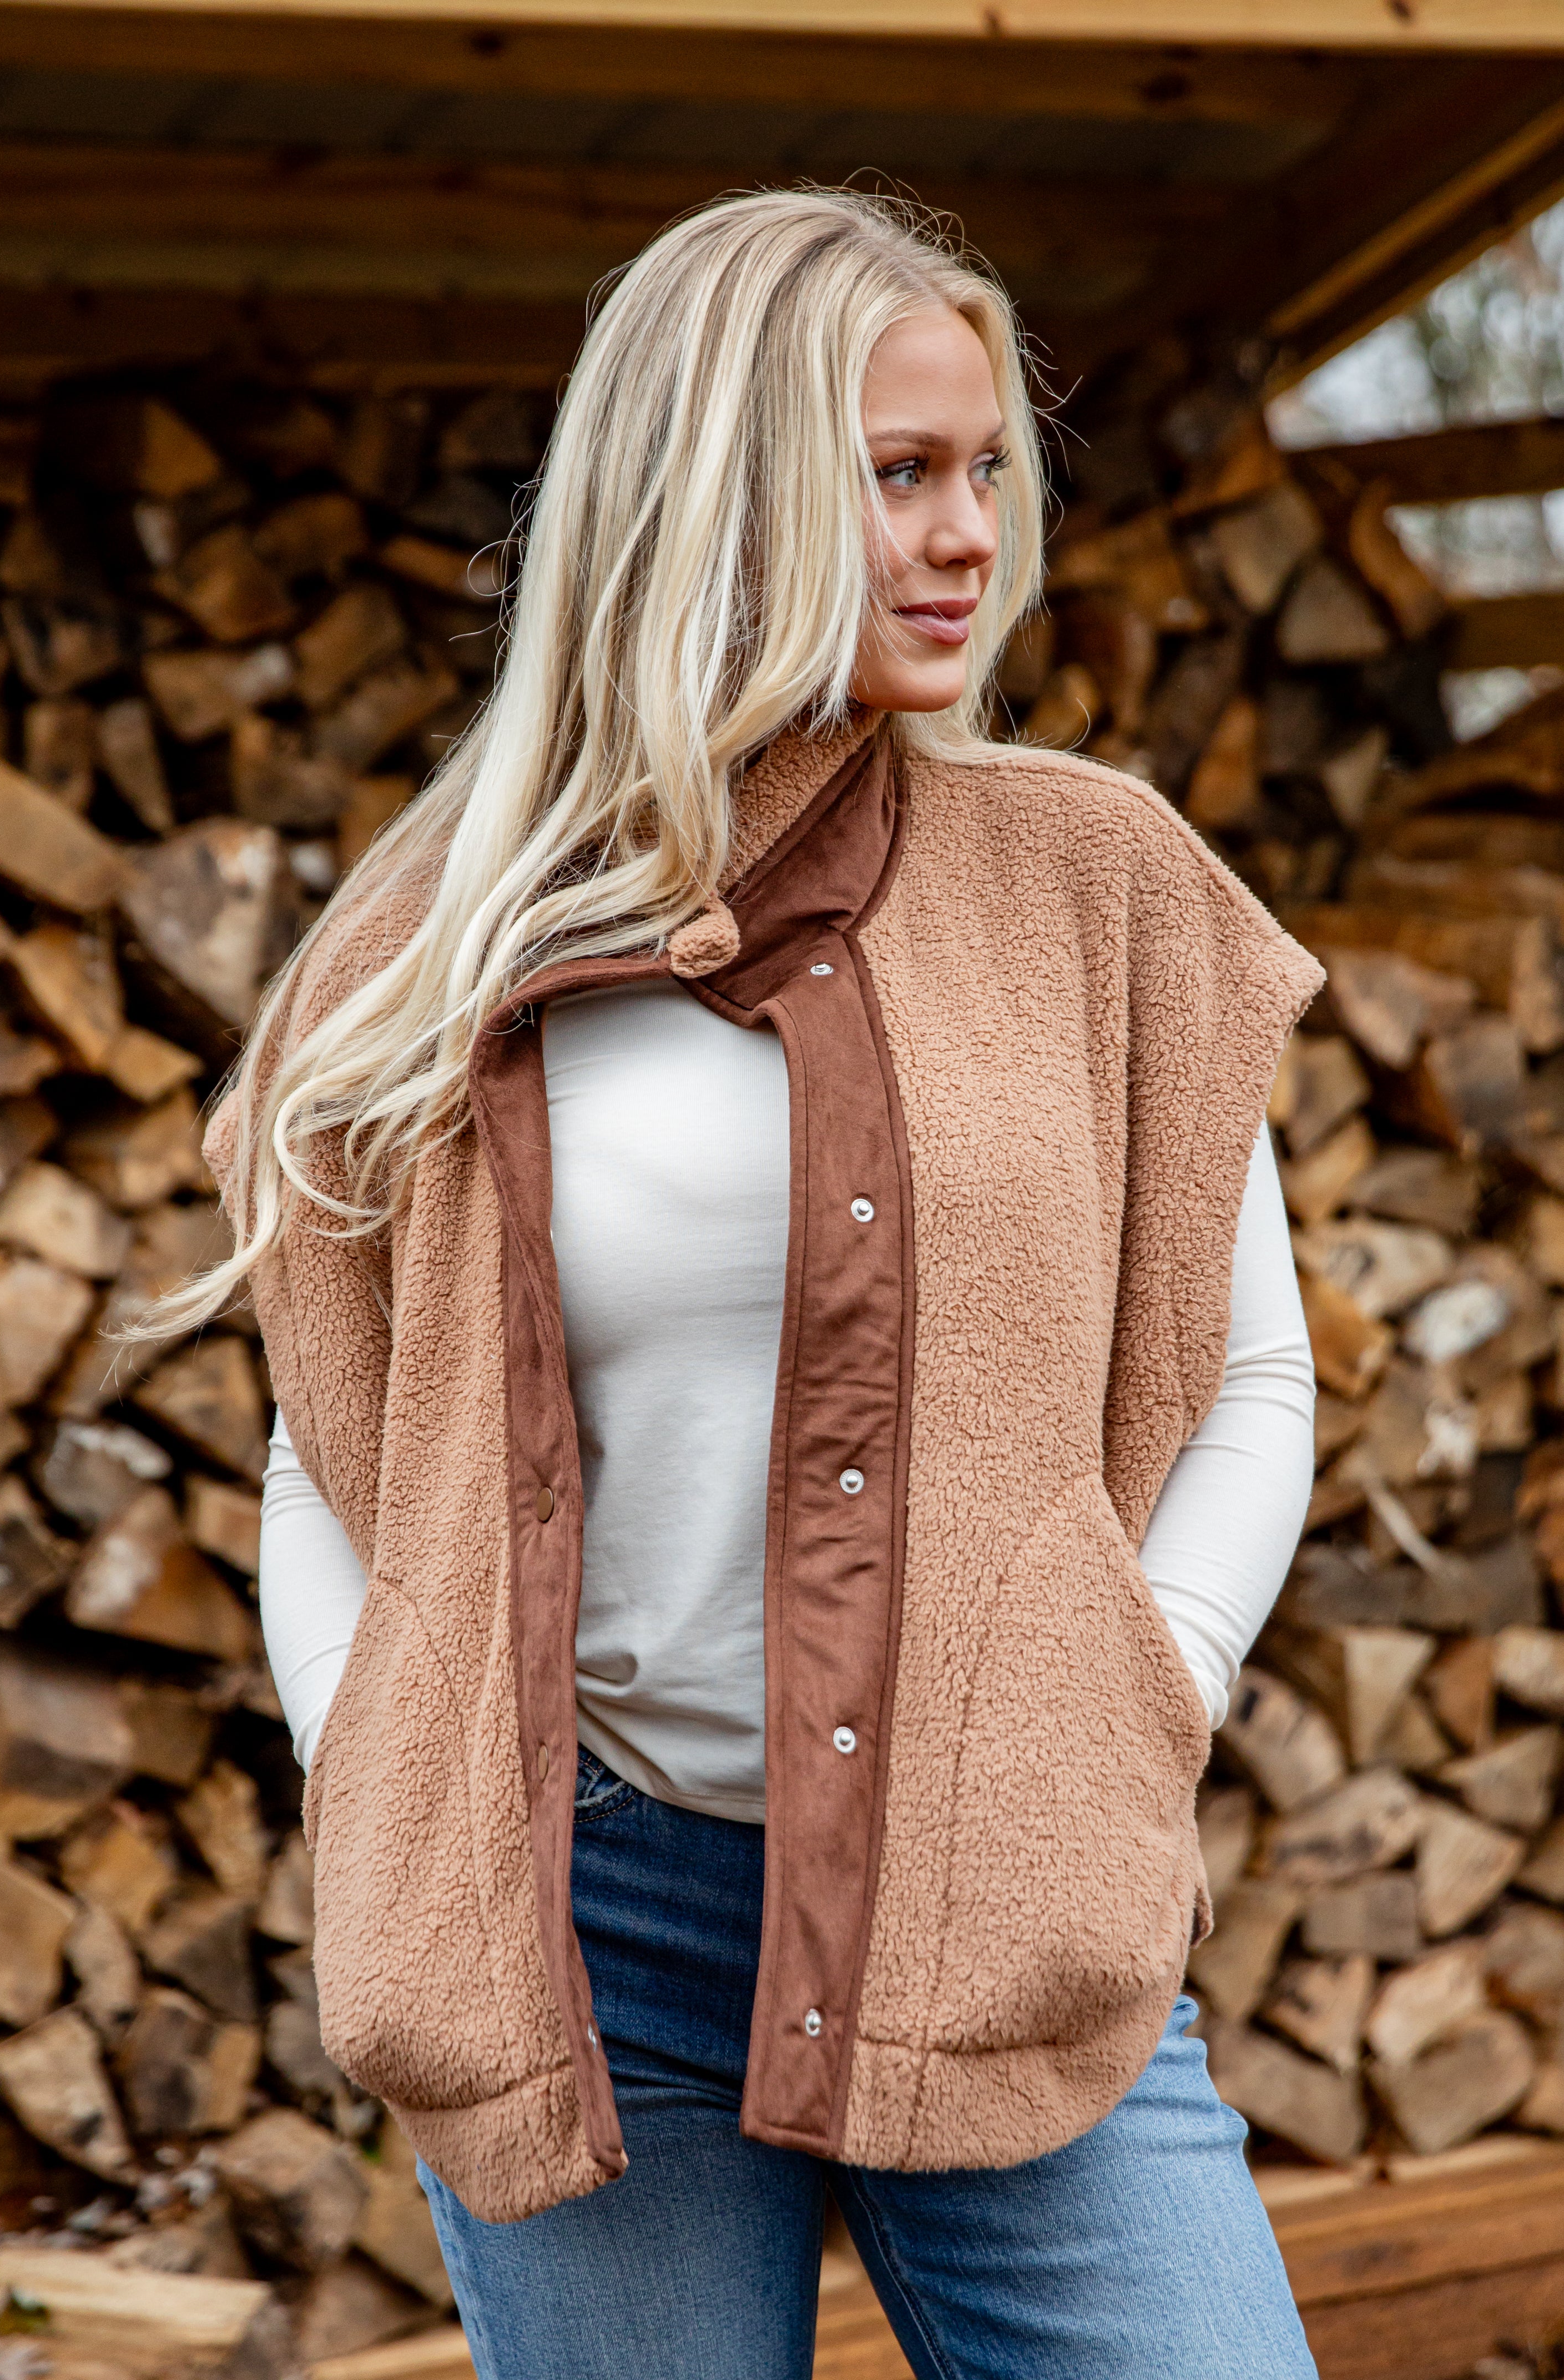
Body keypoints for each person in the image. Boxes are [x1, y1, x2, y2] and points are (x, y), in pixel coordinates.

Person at [168, 189, 1324, 2379]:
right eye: (899, 472)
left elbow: (1251, 1375)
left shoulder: (1097, 893)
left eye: (983, 470)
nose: (969, 533)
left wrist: (1119, 1705)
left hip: (1000, 1892)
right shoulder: (424, 958)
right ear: (719, 489)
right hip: (588, 1929)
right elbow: (335, 1455)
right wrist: (379, 1765)